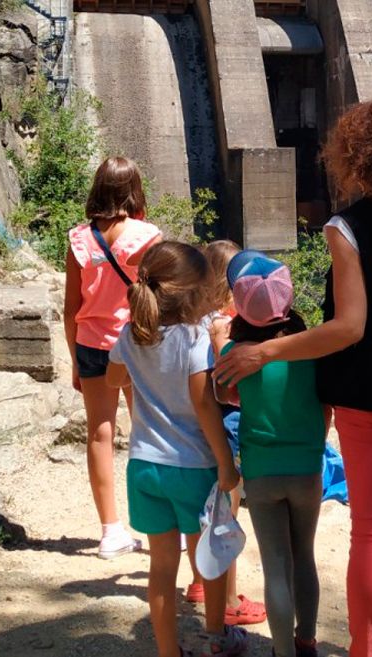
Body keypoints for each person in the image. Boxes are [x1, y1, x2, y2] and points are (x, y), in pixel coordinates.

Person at [214, 100, 372, 657]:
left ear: (350, 159)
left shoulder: (344, 228)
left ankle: (368, 650)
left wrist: (267, 352)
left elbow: (349, 327)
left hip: (368, 398)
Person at [105, 240, 248, 657]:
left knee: (161, 568)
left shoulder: (133, 335)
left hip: (144, 466)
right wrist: (226, 463)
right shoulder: (193, 338)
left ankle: (169, 651)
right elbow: (204, 403)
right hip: (193, 466)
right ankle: (217, 641)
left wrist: (143, 376)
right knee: (208, 558)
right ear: (192, 293)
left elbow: (114, 379)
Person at [220, 251, 327, 657]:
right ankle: (308, 642)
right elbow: (325, 407)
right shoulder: (312, 349)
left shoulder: (234, 354)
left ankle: (282, 652)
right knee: (305, 556)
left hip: (262, 473)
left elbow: (224, 395)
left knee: (276, 566)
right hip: (306, 468)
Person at [64, 156, 162, 559]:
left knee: (99, 435)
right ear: (134, 190)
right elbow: (160, 299)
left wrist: (73, 359)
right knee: (150, 433)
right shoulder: (148, 236)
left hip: (91, 344)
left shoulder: (79, 240)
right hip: (137, 344)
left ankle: (110, 531)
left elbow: (71, 308)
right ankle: (158, 527)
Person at [182, 240, 267, 627]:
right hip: (228, 424)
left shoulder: (191, 318)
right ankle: (230, 601)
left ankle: (201, 582)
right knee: (225, 514)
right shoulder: (226, 322)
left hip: (195, 425)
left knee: (202, 507)